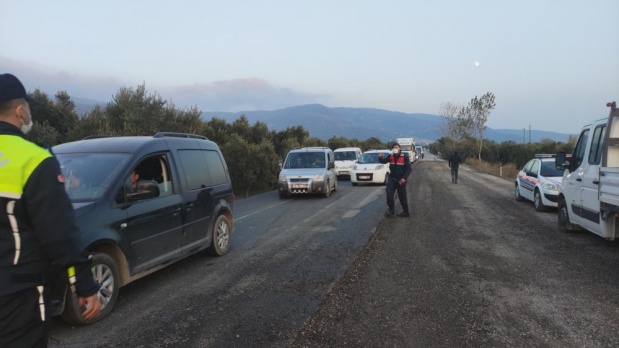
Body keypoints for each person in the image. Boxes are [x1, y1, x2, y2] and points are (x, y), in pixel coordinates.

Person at [0, 73, 101, 347]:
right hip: (17, 292)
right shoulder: (33, 158)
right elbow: (59, 233)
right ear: (20, 111)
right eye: (28, 107)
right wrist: (85, 284)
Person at [378, 143, 412, 217]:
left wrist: (404, 178)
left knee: (402, 196)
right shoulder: (391, 156)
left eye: (396, 147)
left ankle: (405, 212)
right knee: (389, 194)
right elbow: (384, 161)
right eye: (394, 147)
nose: (395, 149)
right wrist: (380, 158)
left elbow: (408, 169)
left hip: (401, 180)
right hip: (392, 179)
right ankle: (391, 210)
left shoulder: (404, 157)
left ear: (400, 148)